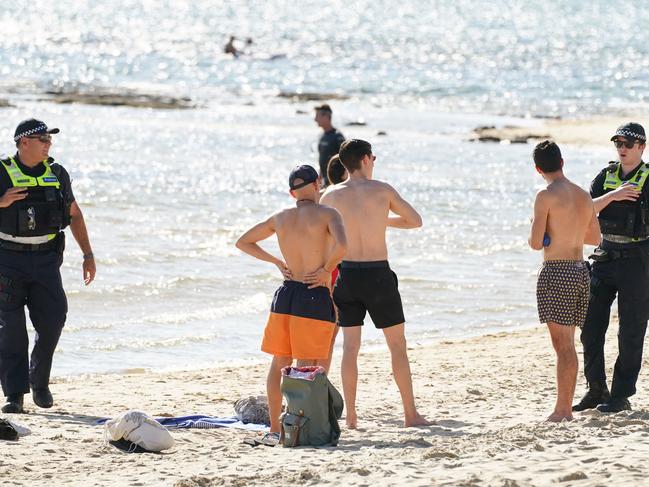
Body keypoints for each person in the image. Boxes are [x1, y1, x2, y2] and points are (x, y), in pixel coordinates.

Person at [320, 139, 430, 429]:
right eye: (373, 157)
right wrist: (382, 220)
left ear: (344, 164)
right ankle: (410, 414)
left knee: (350, 348)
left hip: (348, 276)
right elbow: (415, 220)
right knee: (397, 346)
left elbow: (324, 237)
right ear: (367, 159)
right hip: (378, 275)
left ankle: (352, 418)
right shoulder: (382, 189)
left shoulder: (331, 195)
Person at [235, 164, 346, 441]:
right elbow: (344, 246)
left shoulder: (281, 217)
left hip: (286, 294)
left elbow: (244, 242)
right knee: (304, 367)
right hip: (313, 293)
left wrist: (276, 261)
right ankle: (298, 430)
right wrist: (325, 270)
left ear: (291, 192)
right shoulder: (328, 214)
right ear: (317, 183)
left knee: (278, 363)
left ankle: (274, 429)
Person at [0, 118, 96, 414]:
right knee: (10, 330)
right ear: (23, 142)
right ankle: (15, 394)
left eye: (49, 139)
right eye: (42, 139)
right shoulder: (1, 171)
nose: (48, 144)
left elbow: (74, 213)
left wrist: (88, 254)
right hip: (7, 259)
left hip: (46, 260)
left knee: (54, 319)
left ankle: (39, 382)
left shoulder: (57, 173)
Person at [573, 122, 649, 413]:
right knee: (590, 327)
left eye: (629, 144)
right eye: (618, 143)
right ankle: (596, 390)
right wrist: (614, 195)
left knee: (630, 331)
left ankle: (620, 396)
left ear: (642, 147)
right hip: (605, 257)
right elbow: (584, 209)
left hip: (638, 261)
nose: (623, 149)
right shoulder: (606, 176)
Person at [528, 140, 600, 422]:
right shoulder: (583, 195)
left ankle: (563, 410)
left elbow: (535, 243)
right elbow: (594, 238)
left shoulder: (544, 195)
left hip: (557, 271)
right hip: (581, 270)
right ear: (562, 162)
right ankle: (565, 408)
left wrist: (544, 234)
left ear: (538, 168)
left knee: (563, 346)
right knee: (569, 343)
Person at [314, 105, 345, 186]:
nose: (315, 119)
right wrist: (320, 177)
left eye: (317, 116)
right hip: (325, 180)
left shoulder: (338, 136)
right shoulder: (322, 136)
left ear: (326, 117)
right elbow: (322, 158)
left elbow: (346, 158)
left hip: (336, 182)